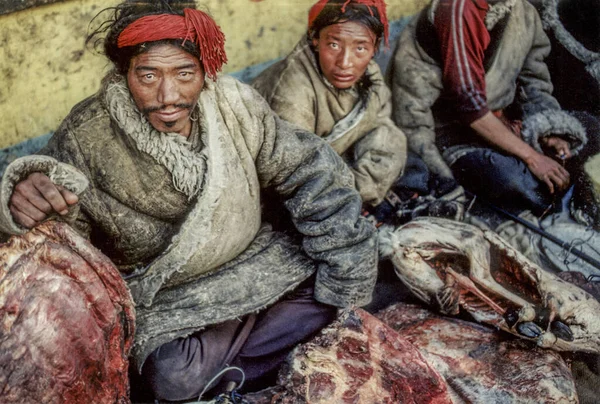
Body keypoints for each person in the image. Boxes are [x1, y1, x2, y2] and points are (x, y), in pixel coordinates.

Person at [0, 1, 378, 401]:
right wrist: (26, 206)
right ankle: (260, 352)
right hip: (170, 303)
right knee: (172, 376)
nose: (168, 96)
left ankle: (234, 364)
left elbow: (310, 171)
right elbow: (62, 244)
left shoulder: (236, 105)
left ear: (205, 72)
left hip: (259, 265)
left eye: (185, 74)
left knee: (341, 290)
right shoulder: (86, 135)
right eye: (147, 75)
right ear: (124, 73)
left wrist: (345, 272)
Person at [387, 0, 592, 216]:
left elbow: (534, 82)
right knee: (511, 178)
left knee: (590, 133)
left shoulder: (524, 12)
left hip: (497, 128)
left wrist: (550, 132)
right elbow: (468, 105)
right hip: (444, 134)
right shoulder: (457, 8)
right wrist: (533, 157)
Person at [253, 0, 408, 213]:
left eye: (360, 48)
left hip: (337, 168)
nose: (345, 62)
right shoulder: (292, 91)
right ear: (315, 39)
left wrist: (354, 189)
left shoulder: (370, 75)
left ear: (375, 47)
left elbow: (381, 126)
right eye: (334, 45)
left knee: (396, 143)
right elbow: (295, 171)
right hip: (293, 179)